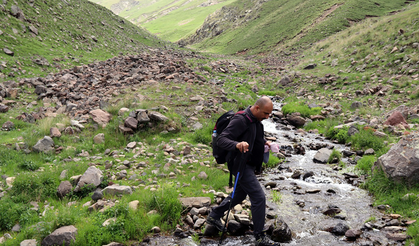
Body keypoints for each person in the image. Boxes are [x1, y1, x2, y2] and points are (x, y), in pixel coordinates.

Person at [206, 96, 280, 246]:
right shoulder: (240, 120)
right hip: (240, 165)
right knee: (259, 197)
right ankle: (259, 237)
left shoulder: (257, 122)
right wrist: (237, 144)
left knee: (239, 194)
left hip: (249, 164)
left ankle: (215, 215)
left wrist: (266, 143)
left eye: (269, 114)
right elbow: (222, 139)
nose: (267, 117)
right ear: (257, 108)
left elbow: (257, 137)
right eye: (266, 113)